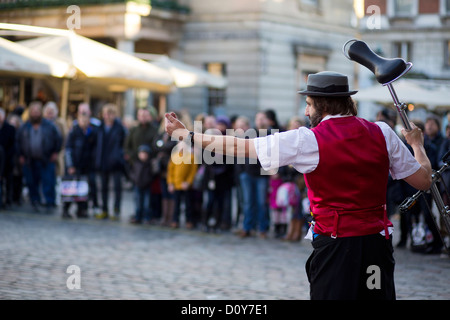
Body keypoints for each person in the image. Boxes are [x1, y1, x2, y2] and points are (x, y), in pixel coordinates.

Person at [164, 71, 432, 300]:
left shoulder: (307, 140)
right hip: (376, 245)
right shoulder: (382, 132)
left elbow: (238, 146)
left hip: (337, 248)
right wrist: (417, 145)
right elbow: (424, 179)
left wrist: (185, 134)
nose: (305, 111)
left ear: (323, 106)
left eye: (308, 104)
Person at [16, 101, 63, 212]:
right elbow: (17, 141)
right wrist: (20, 155)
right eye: (33, 111)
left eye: (37, 111)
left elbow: (59, 139)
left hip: (46, 159)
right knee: (31, 182)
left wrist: (55, 152)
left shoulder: (50, 126)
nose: (35, 114)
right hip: (29, 160)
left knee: (48, 182)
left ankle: (49, 203)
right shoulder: (24, 126)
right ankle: (34, 202)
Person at [235, 111, 271, 238]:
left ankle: (262, 228)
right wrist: (242, 171)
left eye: (262, 118)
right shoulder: (250, 134)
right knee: (248, 202)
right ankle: (247, 227)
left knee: (261, 203)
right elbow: (241, 153)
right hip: (247, 173)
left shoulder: (271, 134)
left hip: (262, 174)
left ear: (267, 120)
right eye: (258, 118)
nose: (260, 121)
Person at [63, 109, 99, 219]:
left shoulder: (92, 132)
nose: (84, 122)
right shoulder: (73, 132)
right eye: (81, 120)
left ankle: (82, 209)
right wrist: (70, 165)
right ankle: (66, 209)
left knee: (84, 189)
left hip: (87, 165)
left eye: (86, 120)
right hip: (75, 165)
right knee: (71, 188)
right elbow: (68, 149)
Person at [94, 103, 127, 220]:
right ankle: (104, 210)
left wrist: (120, 156)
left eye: (109, 113)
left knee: (117, 187)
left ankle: (116, 210)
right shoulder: (100, 127)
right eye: (105, 113)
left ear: (114, 115)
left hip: (116, 162)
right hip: (103, 161)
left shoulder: (120, 128)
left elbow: (124, 144)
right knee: (103, 187)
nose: (107, 116)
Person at [166, 142, 198, 229]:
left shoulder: (191, 157)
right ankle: (175, 220)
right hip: (176, 185)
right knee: (176, 204)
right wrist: (170, 183)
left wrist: (188, 182)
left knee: (188, 204)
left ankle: (189, 220)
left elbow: (193, 172)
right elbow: (170, 171)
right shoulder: (174, 156)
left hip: (186, 186)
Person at [129, 144, 153, 224]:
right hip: (137, 184)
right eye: (142, 153)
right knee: (138, 202)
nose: (143, 156)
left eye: (145, 154)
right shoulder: (136, 163)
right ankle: (138, 216)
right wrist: (134, 179)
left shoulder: (149, 164)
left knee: (147, 203)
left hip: (147, 185)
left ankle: (147, 217)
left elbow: (152, 174)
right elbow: (132, 172)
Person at [0, 108, 16, 209]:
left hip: (7, 160)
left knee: (7, 181)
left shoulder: (10, 128)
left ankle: (8, 200)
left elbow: (13, 145)